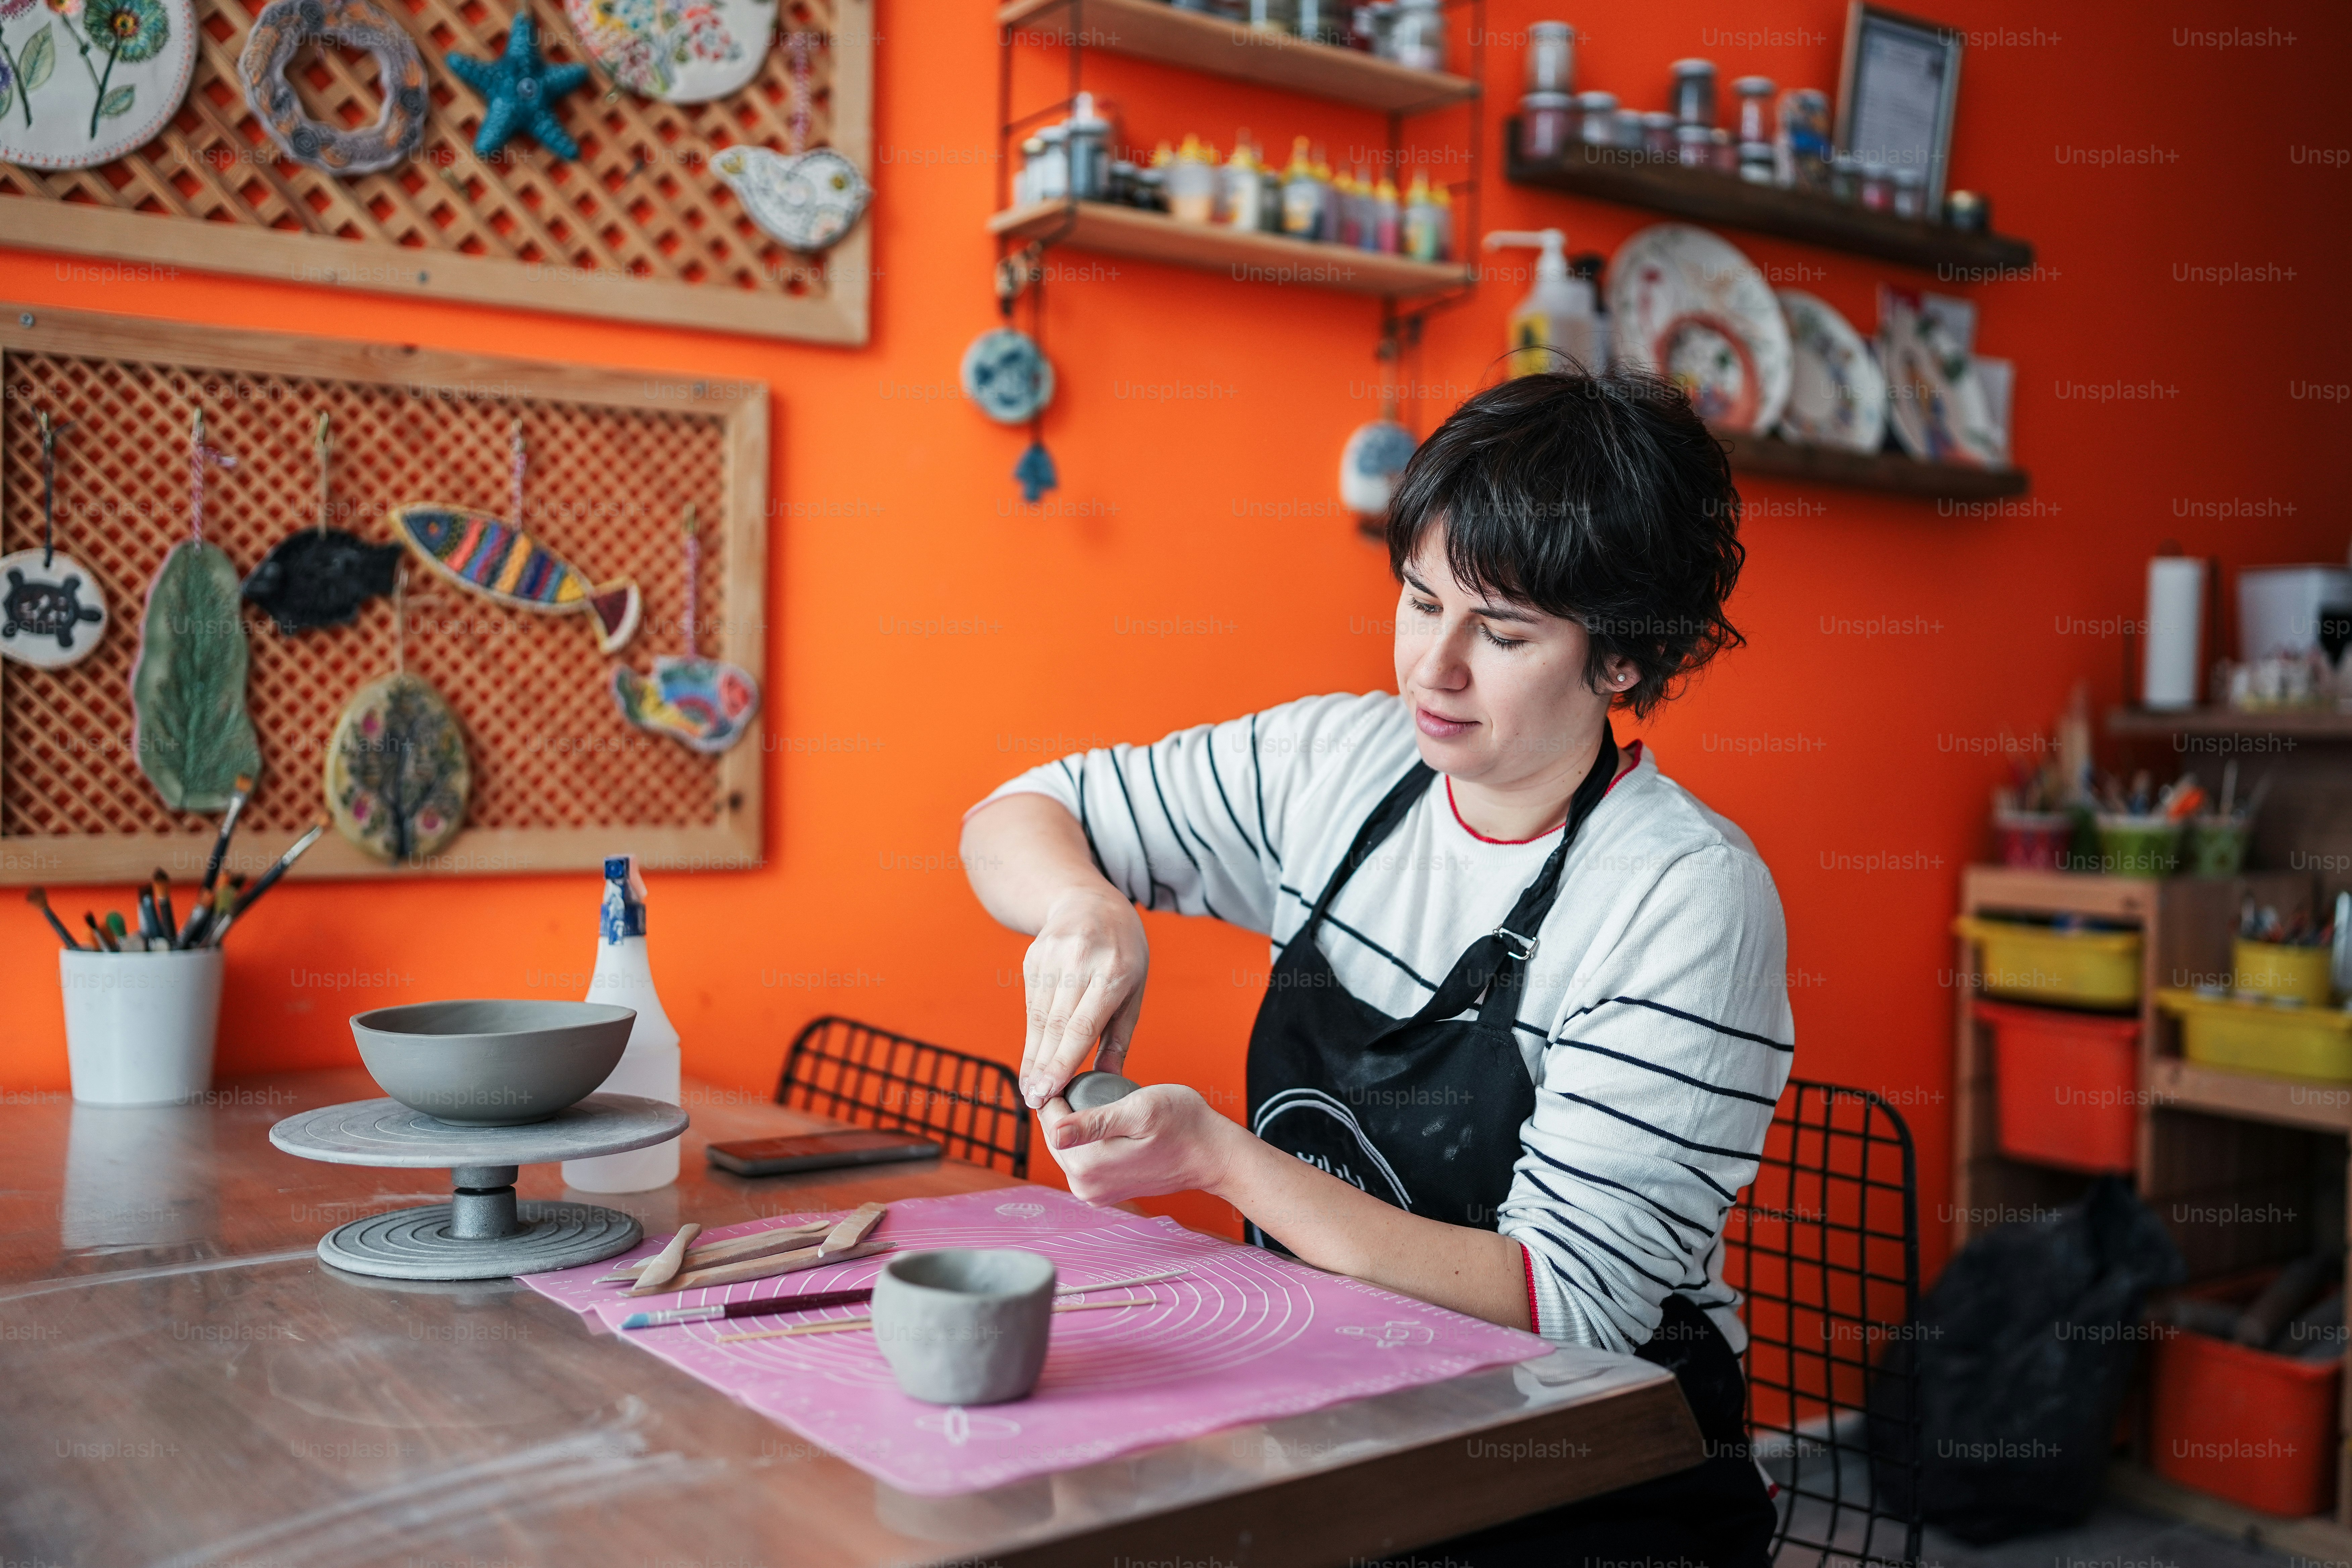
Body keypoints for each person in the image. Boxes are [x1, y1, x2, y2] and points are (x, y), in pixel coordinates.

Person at [960, 370, 1792, 1564]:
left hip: (1588, 1476)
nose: (1432, 668)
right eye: (1419, 600)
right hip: (1338, 1419)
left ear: (1624, 659)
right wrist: (1085, 906)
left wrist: (1217, 1161)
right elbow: (1014, 815)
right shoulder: (1335, 766)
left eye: (1501, 633)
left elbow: (1568, 1308)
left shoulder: (1684, 895)